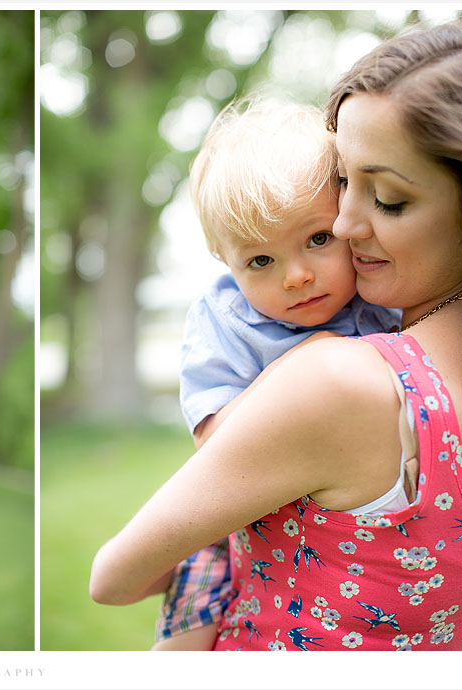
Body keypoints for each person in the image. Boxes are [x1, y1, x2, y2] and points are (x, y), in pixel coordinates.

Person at [91, 19, 462, 651]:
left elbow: (114, 577)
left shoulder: (337, 379)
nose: (346, 224)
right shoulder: (414, 373)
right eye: (344, 182)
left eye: (390, 200)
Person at [153, 99, 403, 651]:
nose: (297, 276)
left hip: (348, 516)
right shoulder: (225, 318)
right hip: (235, 514)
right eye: (260, 262)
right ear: (224, 261)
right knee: (187, 627)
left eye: (318, 239)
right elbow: (213, 440)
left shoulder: (382, 300)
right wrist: (303, 366)